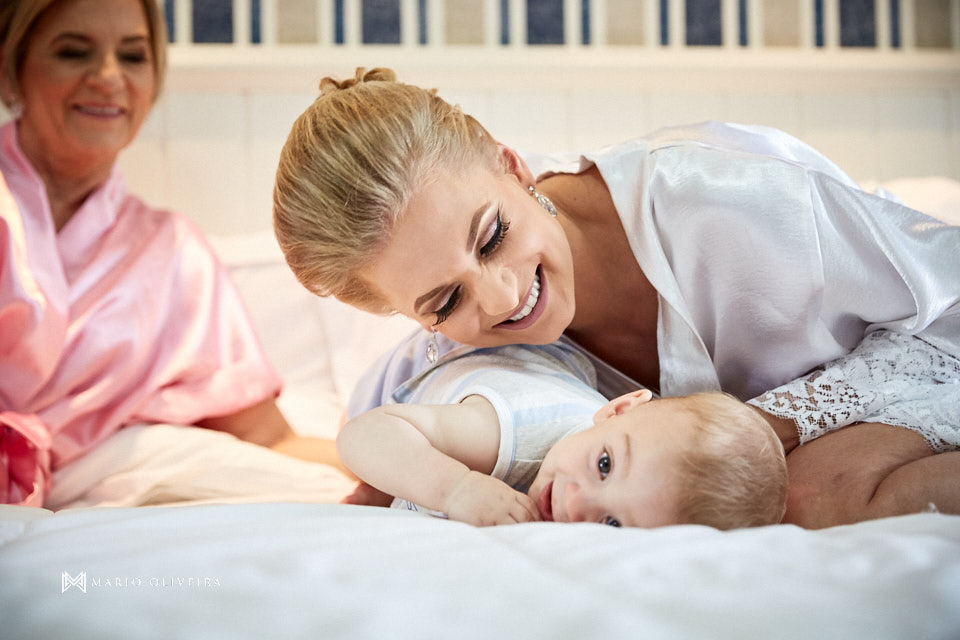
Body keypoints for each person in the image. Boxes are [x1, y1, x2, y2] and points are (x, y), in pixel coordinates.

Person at [273, 68, 960, 527]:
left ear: (508, 163)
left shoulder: (727, 201)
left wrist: (755, 433)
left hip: (927, 345)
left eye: (492, 237)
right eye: (445, 301)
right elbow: (381, 432)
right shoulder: (457, 361)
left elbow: (946, 284)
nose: (504, 295)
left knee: (795, 494)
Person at [0, 0, 344, 507]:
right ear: (12, 73)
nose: (109, 76)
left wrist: (437, 463)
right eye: (74, 52)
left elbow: (266, 438)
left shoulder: (173, 253)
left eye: (134, 57)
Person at [337, 341, 788, 529]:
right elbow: (367, 431)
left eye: (612, 524)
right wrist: (456, 487)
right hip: (432, 365)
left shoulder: (615, 444)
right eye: (605, 465)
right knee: (378, 458)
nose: (575, 503)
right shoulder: (512, 428)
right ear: (618, 408)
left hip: (557, 374)